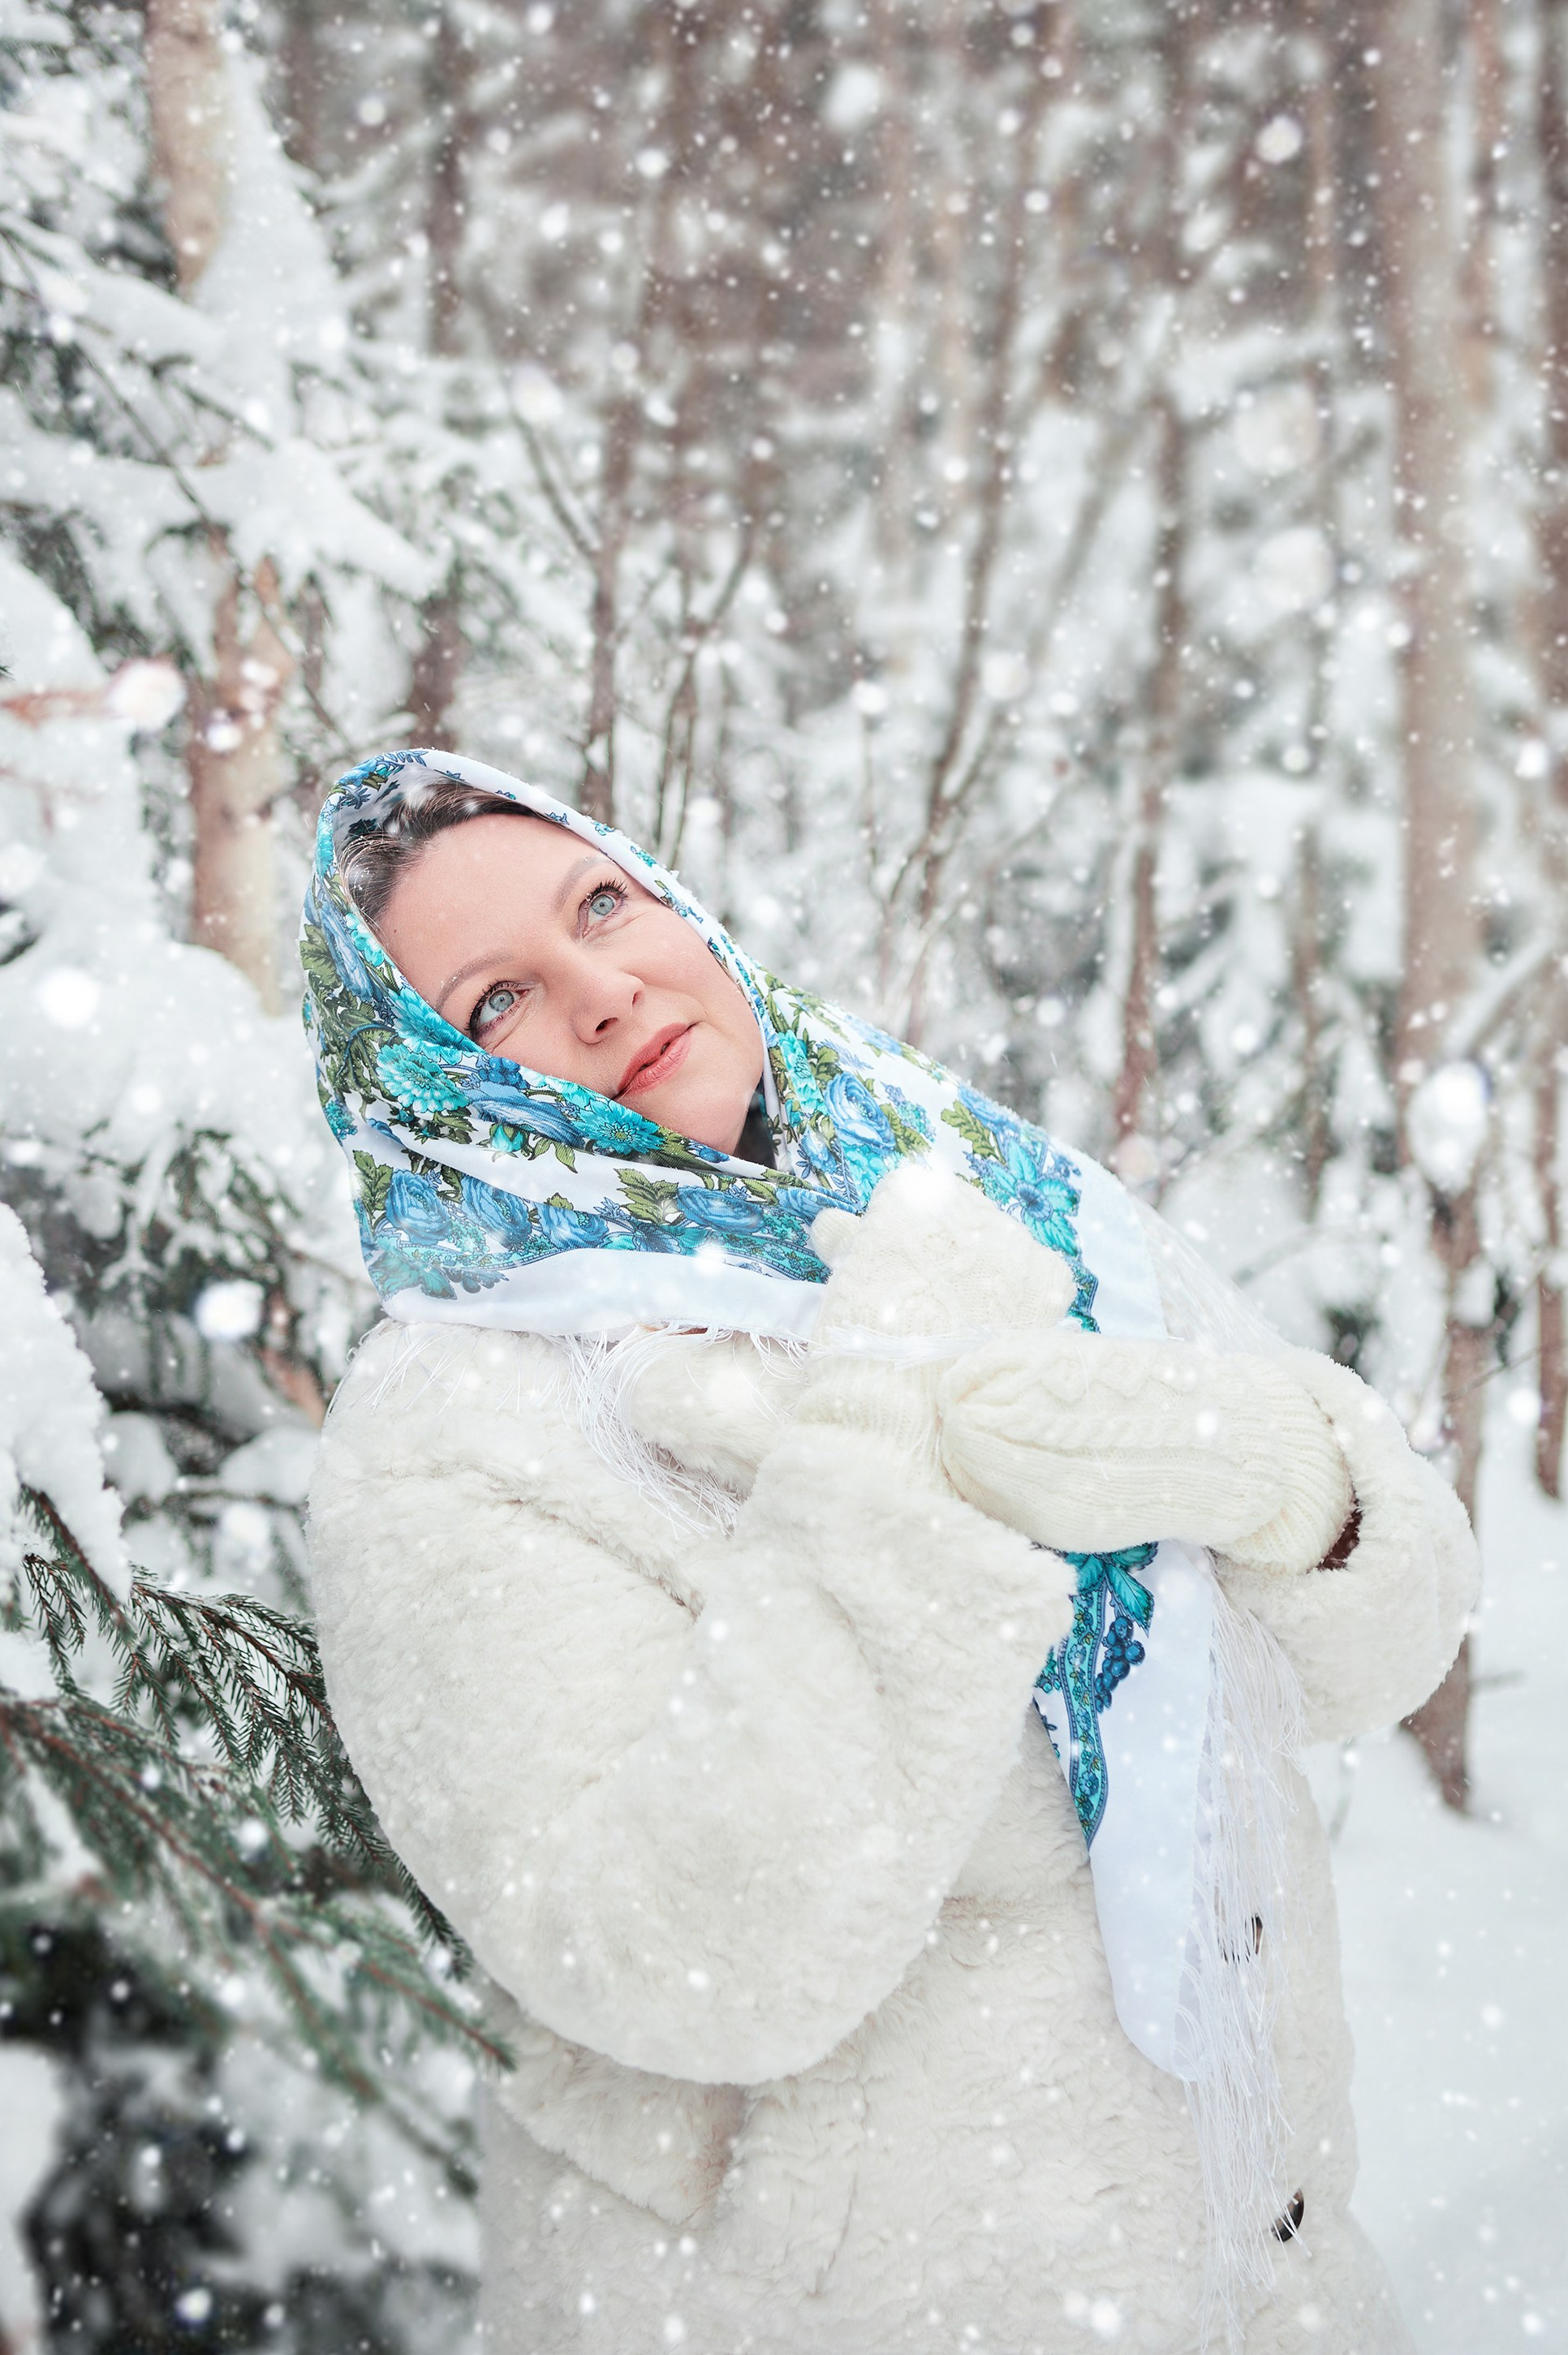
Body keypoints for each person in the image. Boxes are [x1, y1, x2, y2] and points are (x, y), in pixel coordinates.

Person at [302, 749, 1475, 2355]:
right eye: (493, 1001)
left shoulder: (965, 1184)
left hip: (1257, 2280)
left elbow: (1379, 1643)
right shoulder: (450, 1434)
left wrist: (1286, 1481)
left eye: (602, 902)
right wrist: (888, 1426)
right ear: (425, 1088)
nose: (599, 989)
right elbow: (687, 1959)